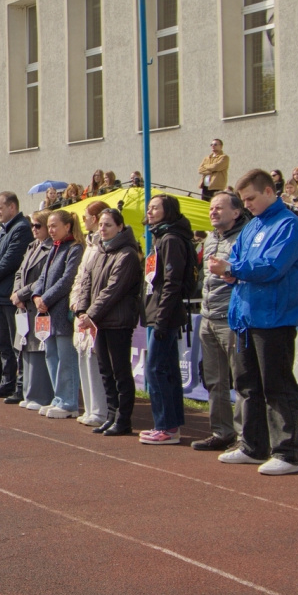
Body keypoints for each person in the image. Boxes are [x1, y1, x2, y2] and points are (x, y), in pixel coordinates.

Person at [209, 169, 298, 475]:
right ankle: (252, 446)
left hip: (274, 317)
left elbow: (272, 267)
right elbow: (238, 263)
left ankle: (286, 452)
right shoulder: (252, 227)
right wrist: (229, 270)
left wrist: (233, 268)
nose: (248, 204)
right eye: (244, 200)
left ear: (269, 191)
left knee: (277, 385)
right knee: (247, 384)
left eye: (251, 198)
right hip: (245, 316)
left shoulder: (288, 224)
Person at [75, 208, 142, 436]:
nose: (102, 229)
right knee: (105, 371)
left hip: (118, 322)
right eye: (101, 224)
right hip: (100, 322)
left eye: (108, 225)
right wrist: (82, 310)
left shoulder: (127, 255)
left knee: (120, 372)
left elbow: (113, 290)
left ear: (120, 227)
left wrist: (90, 314)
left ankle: (123, 419)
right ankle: (111, 415)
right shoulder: (100, 252)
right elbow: (87, 283)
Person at [139, 194, 198, 445]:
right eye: (149, 208)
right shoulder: (161, 237)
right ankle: (170, 425)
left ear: (168, 211)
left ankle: (166, 426)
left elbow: (172, 282)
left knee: (156, 370)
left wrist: (162, 317)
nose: (150, 212)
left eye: (155, 208)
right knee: (167, 369)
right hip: (159, 311)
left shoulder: (171, 239)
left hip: (166, 314)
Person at [193, 191, 246, 451]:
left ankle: (245, 438)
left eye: (219, 208)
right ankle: (221, 432)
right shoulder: (210, 237)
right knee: (214, 380)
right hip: (208, 316)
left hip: (231, 318)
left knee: (242, 381)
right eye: (211, 208)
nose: (213, 212)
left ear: (236, 212)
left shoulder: (245, 237)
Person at [0, 192, 31, 400]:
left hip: (10, 294)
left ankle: (19, 387)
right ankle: (7, 382)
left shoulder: (21, 229)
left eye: (0, 208)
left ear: (12, 207)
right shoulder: (4, 229)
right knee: (3, 343)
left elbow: (12, 259)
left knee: (15, 343)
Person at [34, 210, 82, 419]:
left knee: (66, 358)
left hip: (61, 311)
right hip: (47, 312)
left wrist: (46, 298)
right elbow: (43, 276)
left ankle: (69, 401)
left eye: (55, 226)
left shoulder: (74, 248)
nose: (51, 230)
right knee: (51, 355)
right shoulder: (55, 248)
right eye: (49, 226)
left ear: (67, 226)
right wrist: (37, 295)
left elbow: (67, 280)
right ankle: (58, 398)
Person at [68, 200, 110, 425]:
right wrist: (75, 301)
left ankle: (100, 410)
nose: (83, 221)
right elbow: (80, 277)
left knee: (94, 359)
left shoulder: (102, 246)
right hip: (81, 308)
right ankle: (91, 406)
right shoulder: (90, 245)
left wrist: (88, 309)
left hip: (94, 311)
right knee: (83, 356)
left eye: (86, 217)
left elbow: (97, 282)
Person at [10, 212, 54, 408]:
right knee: (25, 347)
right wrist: (16, 292)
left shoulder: (51, 248)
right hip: (23, 304)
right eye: (33, 226)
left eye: (38, 225)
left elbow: (44, 278)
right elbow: (20, 272)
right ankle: (29, 393)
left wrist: (23, 293)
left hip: (37, 304)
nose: (34, 229)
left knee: (38, 348)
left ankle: (41, 395)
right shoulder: (32, 246)